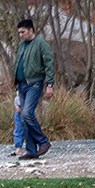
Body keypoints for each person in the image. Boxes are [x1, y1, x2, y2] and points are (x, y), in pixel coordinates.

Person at [13, 18, 55, 160]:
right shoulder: (21, 45)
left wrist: (50, 84)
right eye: (19, 32)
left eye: (23, 32)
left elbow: (49, 63)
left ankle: (43, 141)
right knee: (24, 118)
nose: (21, 35)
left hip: (34, 83)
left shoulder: (41, 43)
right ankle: (31, 150)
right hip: (22, 84)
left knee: (27, 113)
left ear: (31, 30)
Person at [12, 91, 24, 156]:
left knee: (30, 128)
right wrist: (16, 104)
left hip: (27, 107)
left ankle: (32, 146)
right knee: (18, 129)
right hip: (18, 108)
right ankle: (18, 147)